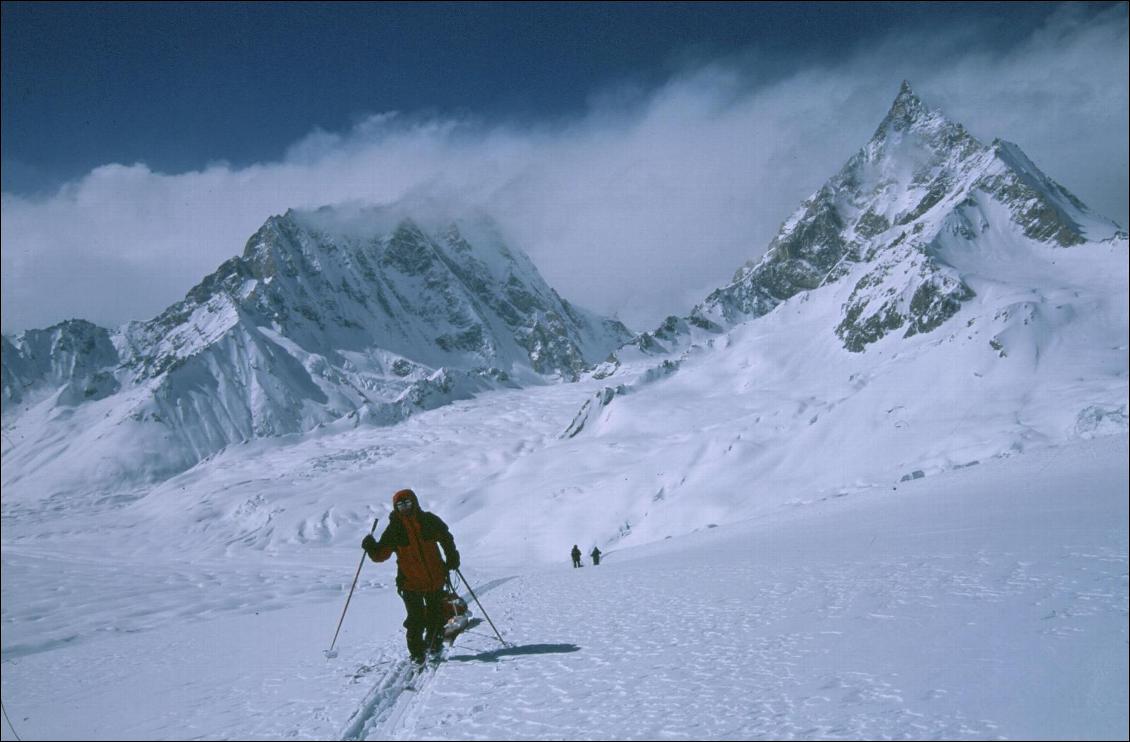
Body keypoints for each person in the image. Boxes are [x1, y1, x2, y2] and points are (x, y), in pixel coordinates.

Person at [362, 488, 460, 664]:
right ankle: (417, 654)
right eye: (400, 505)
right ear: (395, 507)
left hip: (435, 579)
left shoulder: (429, 521)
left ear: (414, 502)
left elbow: (446, 537)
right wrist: (371, 547)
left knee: (435, 616)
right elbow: (380, 555)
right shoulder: (395, 529)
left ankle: (433, 646)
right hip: (410, 583)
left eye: (407, 503)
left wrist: (452, 558)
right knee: (415, 620)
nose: (404, 507)